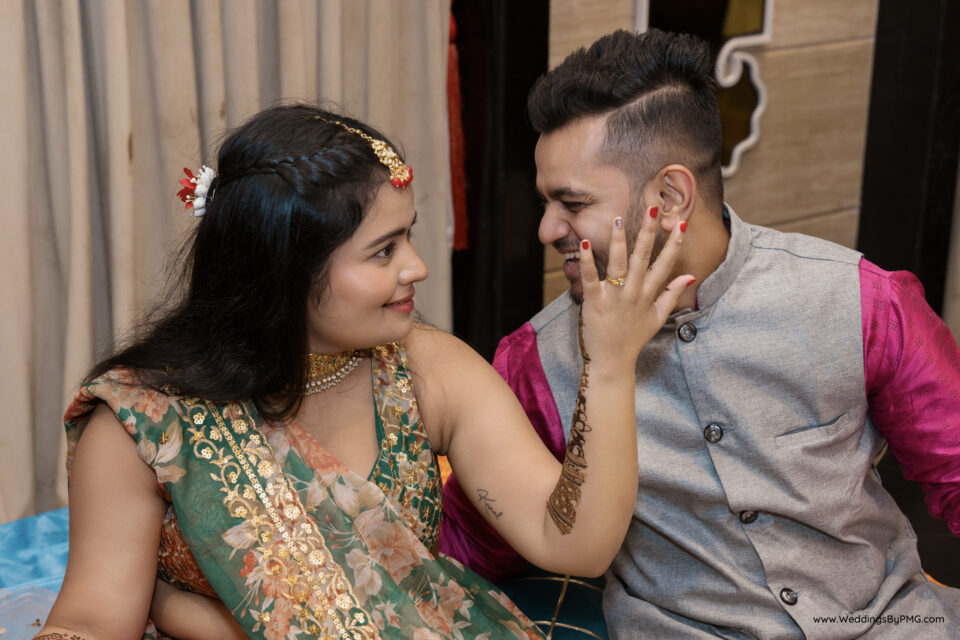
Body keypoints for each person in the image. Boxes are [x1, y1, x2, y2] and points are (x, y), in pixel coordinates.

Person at [35, 103, 694, 640]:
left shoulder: (427, 370)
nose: (417, 268)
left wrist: (610, 367)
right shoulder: (144, 421)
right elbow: (91, 623)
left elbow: (572, 545)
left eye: (409, 236)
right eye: (383, 251)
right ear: (285, 273)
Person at [439, 29, 960, 639]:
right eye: (545, 204)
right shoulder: (537, 362)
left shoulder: (863, 303)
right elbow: (470, 546)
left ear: (670, 196)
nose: (547, 230)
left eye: (572, 204)